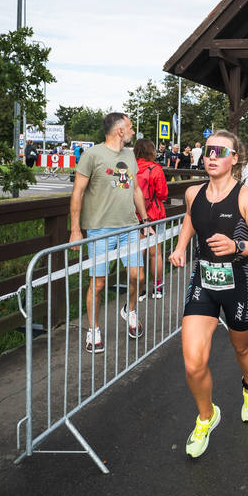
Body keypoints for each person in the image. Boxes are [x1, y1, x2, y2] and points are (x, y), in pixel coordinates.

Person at [168, 131, 248, 458]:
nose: (211, 156)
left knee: (241, 348)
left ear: (234, 159)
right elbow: (191, 218)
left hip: (239, 284)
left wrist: (237, 246)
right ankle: (206, 416)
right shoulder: (193, 193)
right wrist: (181, 245)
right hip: (204, 282)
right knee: (192, 363)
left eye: (219, 151)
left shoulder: (246, 198)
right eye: (208, 150)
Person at [69, 112, 151, 352]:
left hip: (128, 227)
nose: (133, 131)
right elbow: (78, 192)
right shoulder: (92, 154)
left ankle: (131, 311)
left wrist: (144, 219)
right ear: (119, 131)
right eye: (130, 127)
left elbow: (135, 189)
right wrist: (76, 229)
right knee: (99, 283)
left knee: (138, 277)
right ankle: (93, 330)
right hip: (99, 229)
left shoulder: (128, 155)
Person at [134, 139, 169, 299]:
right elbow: (163, 194)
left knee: (137, 254)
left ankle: (139, 291)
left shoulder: (130, 168)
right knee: (156, 254)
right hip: (154, 215)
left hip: (135, 216)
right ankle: (157, 288)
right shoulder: (155, 168)